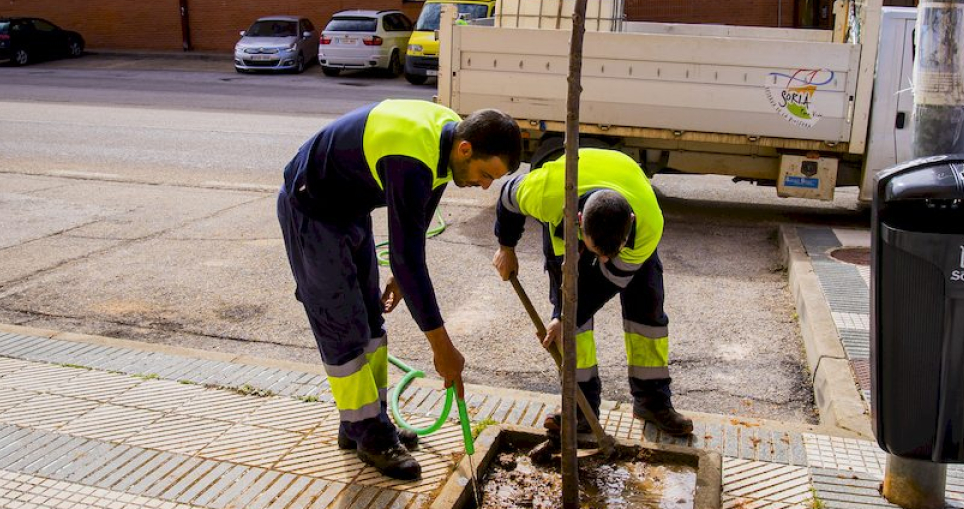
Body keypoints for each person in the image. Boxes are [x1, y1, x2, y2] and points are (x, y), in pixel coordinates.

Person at [277, 100, 521, 479]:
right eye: (486, 174)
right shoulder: (412, 155)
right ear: (466, 149)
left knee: (371, 319)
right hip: (312, 208)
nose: (485, 186)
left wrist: (400, 274)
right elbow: (409, 257)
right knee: (340, 323)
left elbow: (421, 213)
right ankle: (370, 434)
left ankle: (363, 422)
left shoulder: (450, 138)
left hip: (350, 206)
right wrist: (443, 349)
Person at [491, 148, 694, 436]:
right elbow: (507, 196)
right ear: (578, 220)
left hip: (628, 201)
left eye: (613, 253)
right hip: (565, 231)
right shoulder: (545, 193)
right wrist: (506, 247)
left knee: (646, 315)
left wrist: (563, 317)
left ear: (631, 222)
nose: (605, 261)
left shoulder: (649, 223)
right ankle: (579, 408)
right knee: (574, 321)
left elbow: (604, 284)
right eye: (599, 253)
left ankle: (653, 402)